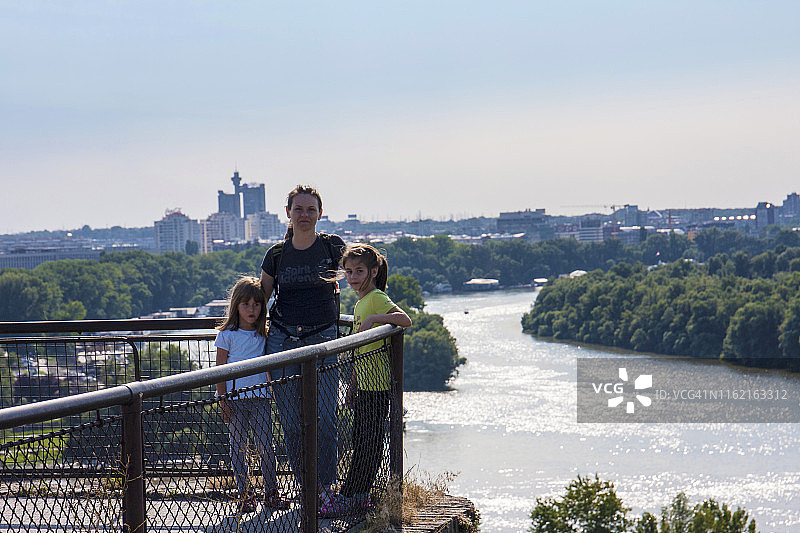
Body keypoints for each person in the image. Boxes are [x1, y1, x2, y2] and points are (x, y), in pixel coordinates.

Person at [260, 185, 346, 513]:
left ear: (320, 214)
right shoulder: (277, 254)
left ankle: (326, 488)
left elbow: (361, 273)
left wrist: (376, 309)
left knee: (325, 418)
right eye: (299, 209)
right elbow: (261, 299)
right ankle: (305, 488)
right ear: (288, 213)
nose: (305, 215)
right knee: (293, 422)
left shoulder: (331, 246)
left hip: (322, 339)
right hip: (282, 341)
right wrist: (239, 336)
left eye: (311, 209)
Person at [321, 244, 411, 517]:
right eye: (348, 271)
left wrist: (373, 319)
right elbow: (360, 350)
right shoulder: (361, 301)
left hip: (378, 387)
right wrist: (352, 385)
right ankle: (358, 495)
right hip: (366, 386)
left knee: (367, 446)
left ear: (373, 271)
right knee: (363, 443)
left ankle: (351, 497)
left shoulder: (374, 298)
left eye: (359, 271)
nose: (352, 277)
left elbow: (404, 319)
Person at [215, 276, 289, 514]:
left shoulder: (264, 335)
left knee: (266, 445)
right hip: (235, 399)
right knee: (237, 447)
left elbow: (269, 368)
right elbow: (220, 371)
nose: (251, 309)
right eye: (246, 304)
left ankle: (271, 492)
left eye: (256, 304)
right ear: (236, 305)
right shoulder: (227, 335)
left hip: (260, 398)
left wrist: (274, 392)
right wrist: (222, 399)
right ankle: (245, 494)